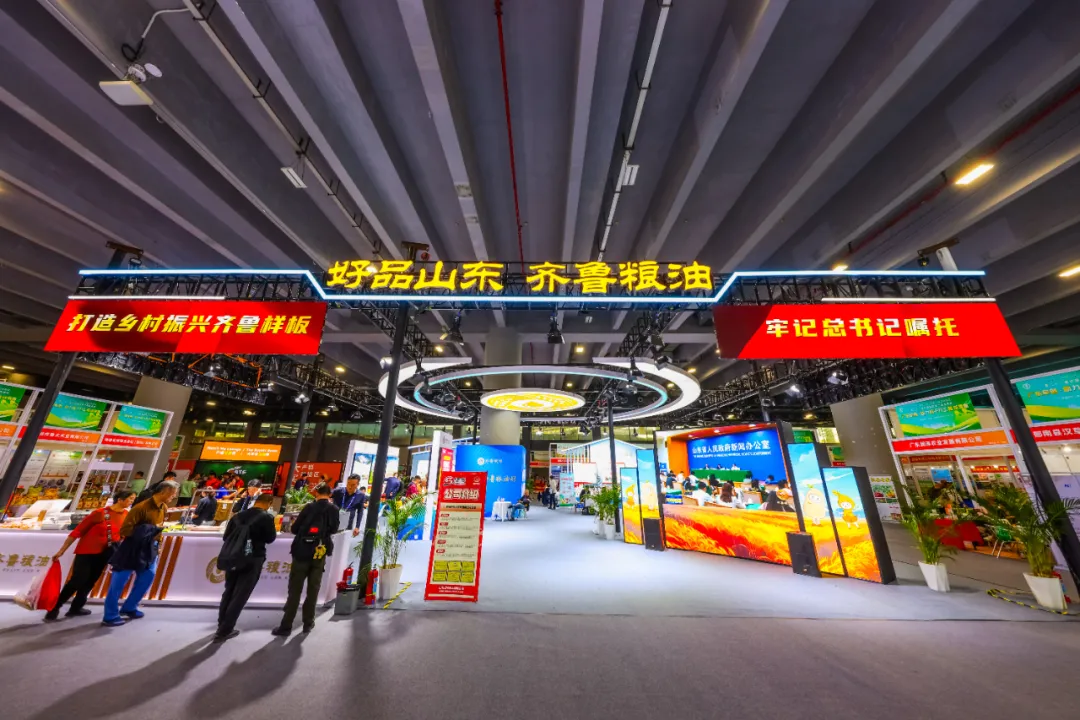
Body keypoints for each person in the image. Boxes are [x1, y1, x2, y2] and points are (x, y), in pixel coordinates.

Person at [45, 490, 136, 621]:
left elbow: (123, 533)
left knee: (90, 581)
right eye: (130, 498)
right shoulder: (99, 513)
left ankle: (76, 607)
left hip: (105, 553)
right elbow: (78, 531)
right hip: (86, 551)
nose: (132, 501)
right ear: (120, 499)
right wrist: (62, 550)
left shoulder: (127, 515)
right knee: (77, 580)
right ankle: (54, 607)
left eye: (133, 499)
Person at [102, 481, 179, 626]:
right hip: (132, 548)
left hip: (150, 549)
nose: (174, 496)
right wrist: (151, 528)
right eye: (172, 493)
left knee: (148, 577)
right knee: (118, 582)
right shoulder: (140, 508)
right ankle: (110, 615)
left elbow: (159, 529)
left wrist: (158, 543)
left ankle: (130, 607)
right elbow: (125, 530)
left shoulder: (163, 507)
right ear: (163, 491)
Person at [272, 483, 339, 636]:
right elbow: (334, 529)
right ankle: (308, 622)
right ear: (330, 494)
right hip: (319, 551)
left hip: (302, 551)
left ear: (316, 493)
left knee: (295, 589)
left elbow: (295, 529)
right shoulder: (334, 509)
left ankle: (286, 626)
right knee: (313, 588)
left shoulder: (309, 507)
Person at [215, 492, 277, 641]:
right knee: (241, 595)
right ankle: (225, 630)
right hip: (253, 558)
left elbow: (226, 537)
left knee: (229, 591)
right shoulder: (267, 517)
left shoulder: (237, 516)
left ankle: (221, 624)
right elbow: (270, 538)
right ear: (269, 503)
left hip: (233, 558)